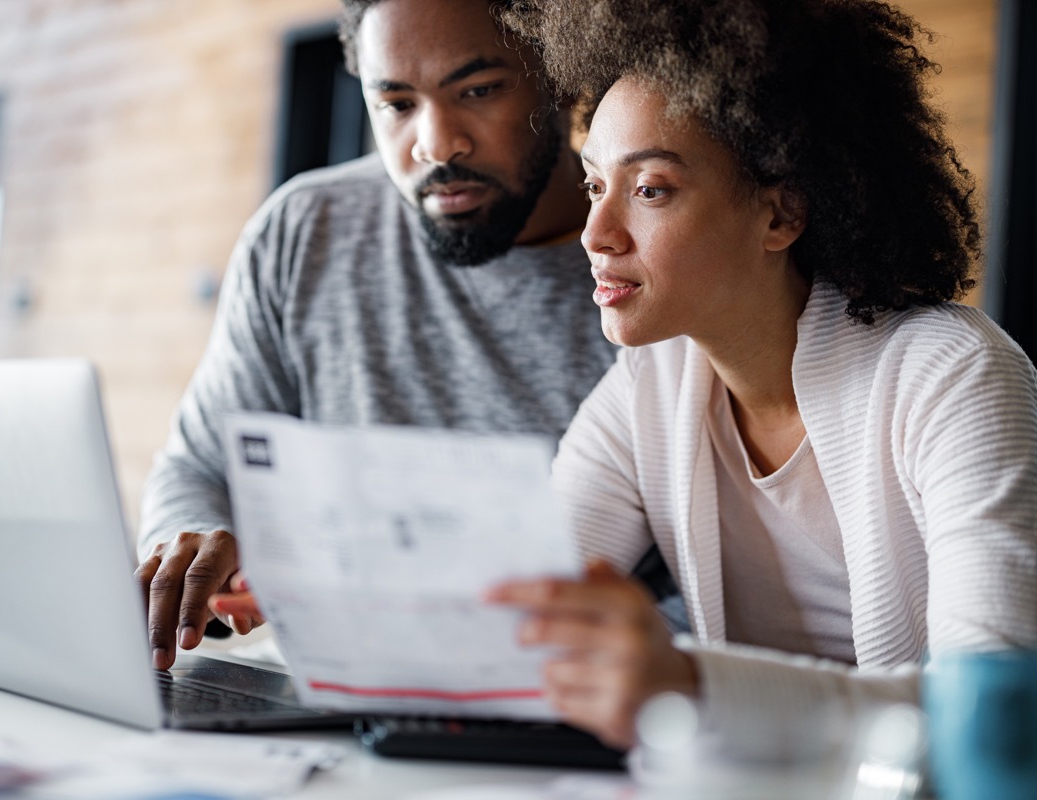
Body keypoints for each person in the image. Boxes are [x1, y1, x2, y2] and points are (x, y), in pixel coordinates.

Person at [486, 0, 1037, 759]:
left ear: (781, 215)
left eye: (649, 189)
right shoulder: (650, 382)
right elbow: (512, 617)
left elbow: (996, 713)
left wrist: (691, 684)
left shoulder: (954, 373)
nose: (595, 234)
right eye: (592, 186)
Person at [136, 0, 663, 672]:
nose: (435, 145)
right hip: (327, 683)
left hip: (565, 691)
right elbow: (200, 466)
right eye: (396, 104)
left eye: (478, 90)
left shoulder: (648, 268)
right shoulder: (307, 230)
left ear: (559, 78)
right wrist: (192, 540)